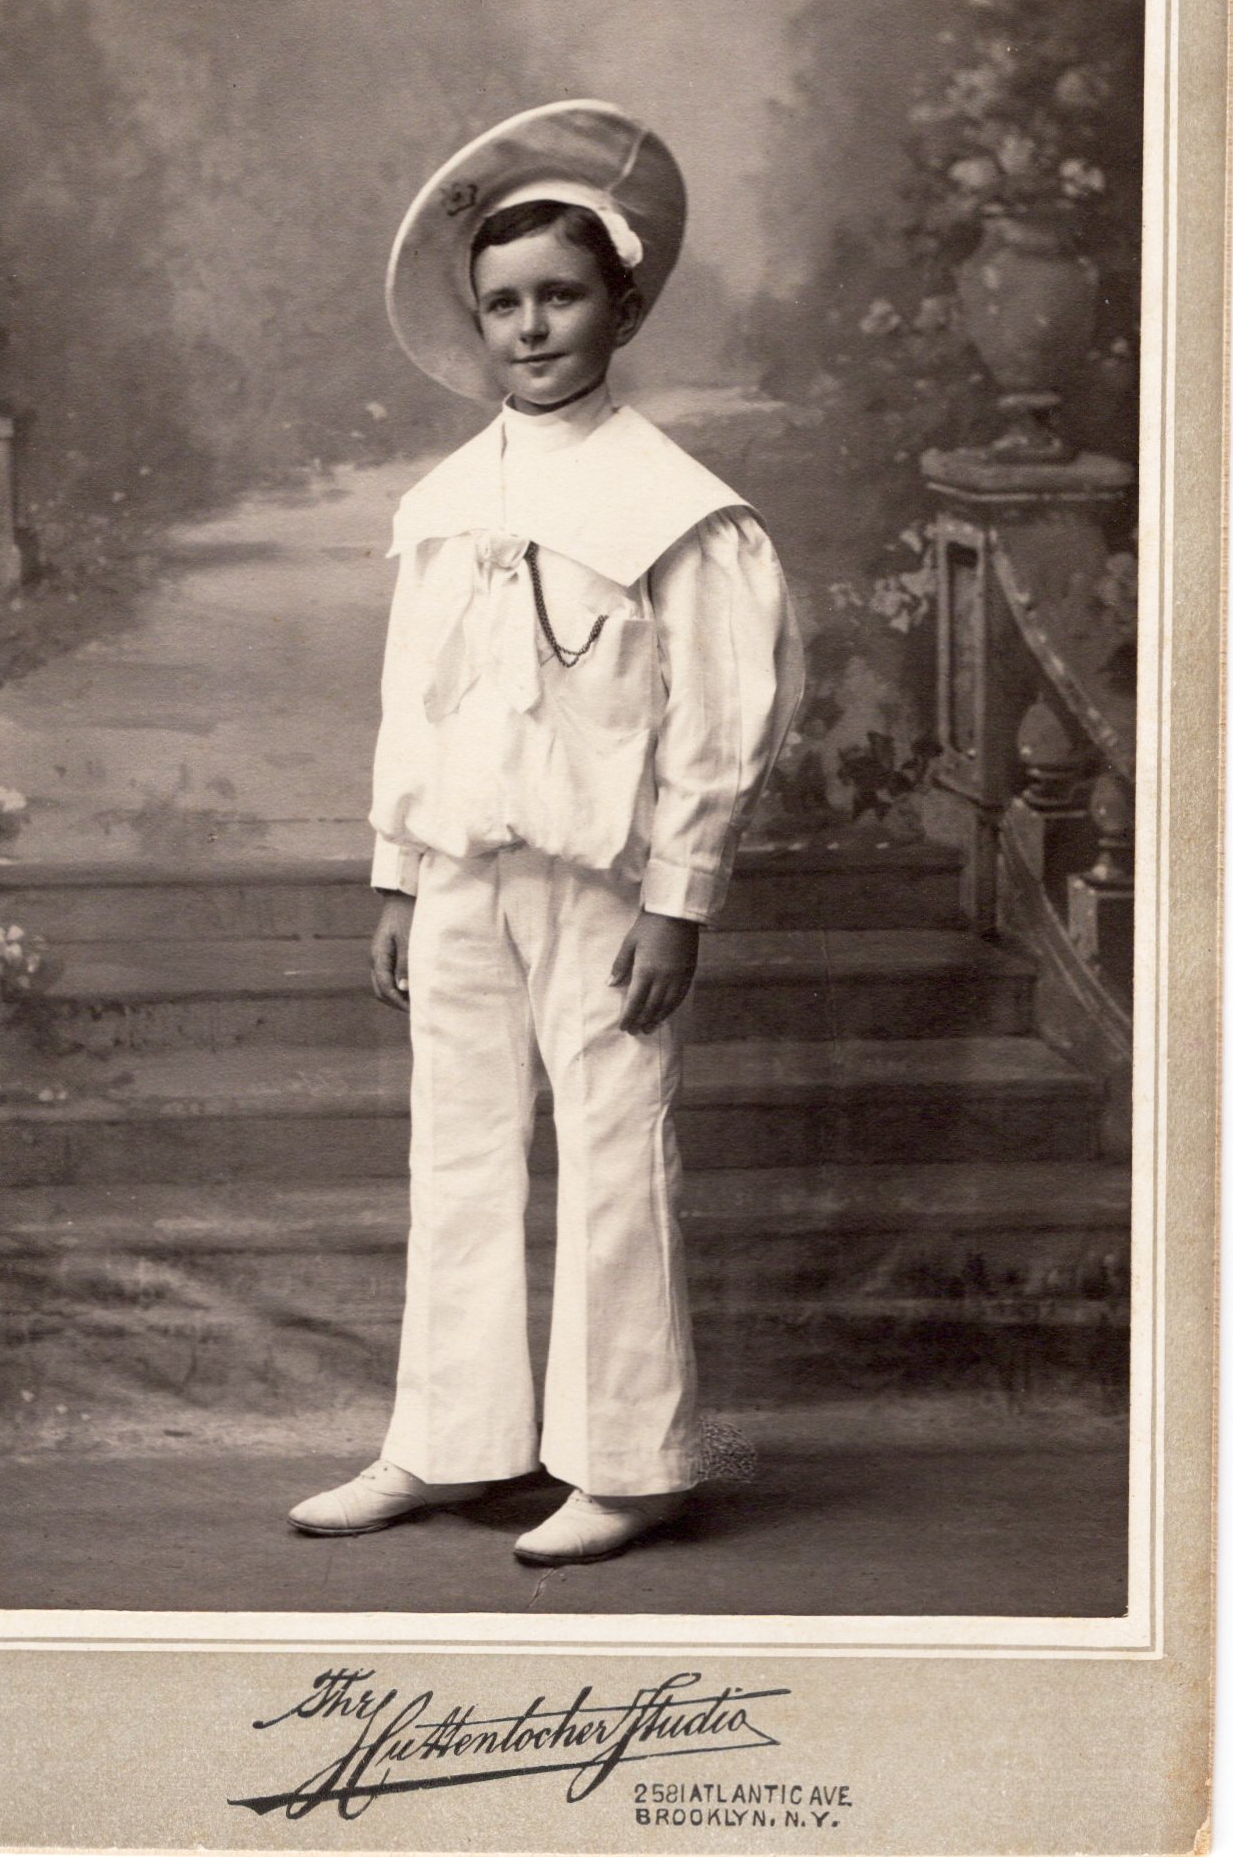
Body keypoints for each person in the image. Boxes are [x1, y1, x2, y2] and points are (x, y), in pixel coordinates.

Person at [289, 101, 804, 1564]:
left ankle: (630, 1462)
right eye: (503, 303)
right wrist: (400, 876)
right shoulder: (446, 502)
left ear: (622, 308)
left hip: (603, 883)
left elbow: (721, 718)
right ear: (477, 323)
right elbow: (416, 703)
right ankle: (448, 1443)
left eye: (561, 297)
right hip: (462, 871)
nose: (530, 327)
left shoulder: (680, 510)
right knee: (455, 1153)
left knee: (613, 1149)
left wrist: (680, 898)